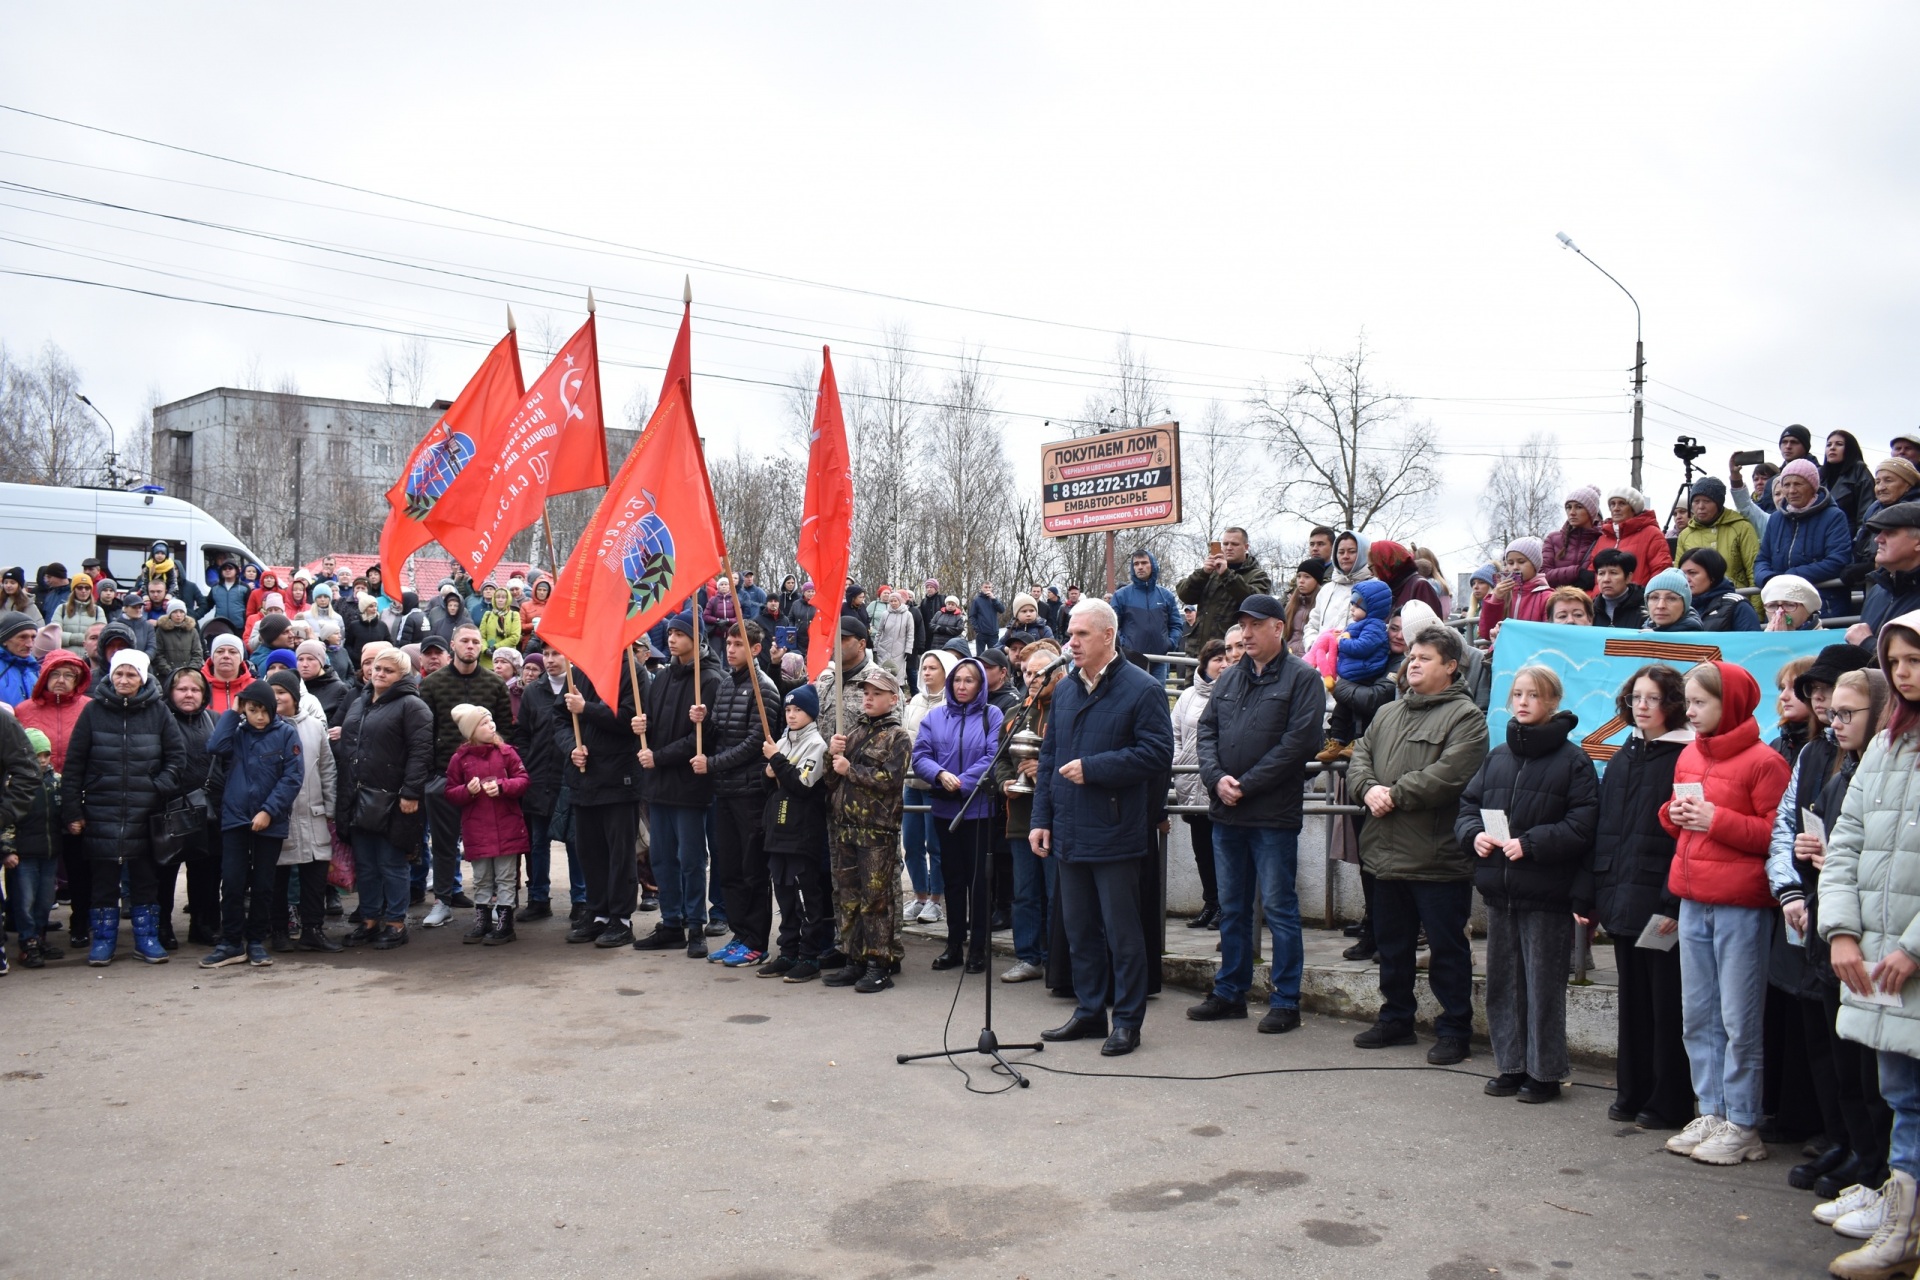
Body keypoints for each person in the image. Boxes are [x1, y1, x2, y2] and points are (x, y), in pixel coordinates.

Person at [1657, 661, 1792, 1167]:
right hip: (1693, 898)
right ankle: (1711, 1110)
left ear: (1729, 703)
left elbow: (1777, 838)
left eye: (1700, 702)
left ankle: (1743, 1122)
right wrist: (1673, 817)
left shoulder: (1764, 762)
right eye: (1688, 702)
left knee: (1739, 1019)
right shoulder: (1689, 755)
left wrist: (1718, 820)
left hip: (1741, 906)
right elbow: (1685, 830)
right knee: (1699, 1015)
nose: (1689, 711)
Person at [1818, 610, 1920, 1277]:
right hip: (1877, 963)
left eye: (1915, 660)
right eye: (1897, 662)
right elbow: (1848, 840)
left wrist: (1916, 946)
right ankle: (1902, 1231)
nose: (1904, 674)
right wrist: (1843, 931)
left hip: (1907, 958)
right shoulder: (1888, 743)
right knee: (1902, 1095)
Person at [1031, 599, 1175, 1058]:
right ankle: (1090, 1011)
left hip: (1115, 832)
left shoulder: (1143, 688)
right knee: (1079, 930)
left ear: (1108, 635)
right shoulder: (1068, 689)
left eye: (1081, 635)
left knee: (1122, 934)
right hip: (1069, 831)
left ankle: (1127, 1021)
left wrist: (1095, 768)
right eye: (1070, 635)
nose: (1071, 643)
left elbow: (1157, 755)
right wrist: (1041, 820)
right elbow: (1050, 759)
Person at [1771, 667, 1894, 1200]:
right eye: (1832, 711)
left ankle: (1876, 1169)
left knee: (1872, 1073)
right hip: (1829, 927)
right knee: (1841, 1059)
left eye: (1847, 712)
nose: (1834, 720)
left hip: (1872, 940)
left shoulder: (1886, 771)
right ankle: (1850, 1148)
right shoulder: (1840, 767)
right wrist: (1801, 879)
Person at [1345, 624, 1490, 1064]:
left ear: (1451, 666)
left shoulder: (1466, 717)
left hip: (1437, 858)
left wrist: (1394, 794)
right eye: (1412, 655)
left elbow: (1451, 774)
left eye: (1425, 657)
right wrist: (1366, 789)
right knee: (1392, 944)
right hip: (1384, 853)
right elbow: (1360, 758)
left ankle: (1454, 1028)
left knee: (1447, 949)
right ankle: (1396, 1019)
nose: (1414, 663)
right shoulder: (1388, 713)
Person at [1457, 665, 1599, 1103]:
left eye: (1533, 695)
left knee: (1543, 987)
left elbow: (1583, 823)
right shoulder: (1498, 755)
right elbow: (1468, 805)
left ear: (1552, 701)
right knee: (1503, 984)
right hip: (1501, 893)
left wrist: (1532, 844)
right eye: (1517, 693)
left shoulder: (1574, 761)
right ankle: (1511, 1065)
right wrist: (1472, 835)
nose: (1522, 701)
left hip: (1546, 893)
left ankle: (1545, 1072)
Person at [1189, 593, 1325, 1035]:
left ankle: (1286, 1000)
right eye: (1241, 626)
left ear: (1277, 628)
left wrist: (1246, 783)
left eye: (1253, 625)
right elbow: (1206, 731)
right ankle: (1230, 992)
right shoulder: (1229, 680)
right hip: (1226, 813)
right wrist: (1216, 778)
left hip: (1271, 815)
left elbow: (1300, 744)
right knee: (1232, 909)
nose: (1244, 634)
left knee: (1280, 910)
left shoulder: (1303, 679)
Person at [1580, 664, 1696, 1128]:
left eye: (1652, 698)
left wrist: (1672, 902)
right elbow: (1606, 830)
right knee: (1634, 1001)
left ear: (1673, 705)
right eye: (1635, 699)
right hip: (1622, 895)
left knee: (1667, 1004)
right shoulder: (1625, 754)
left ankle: (1668, 1101)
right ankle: (1633, 1091)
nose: (1642, 706)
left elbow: (1684, 838)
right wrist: (1592, 894)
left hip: (1661, 900)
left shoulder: (1685, 756)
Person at [60, 649, 186, 966]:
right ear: (111, 675)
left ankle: (146, 938)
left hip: (146, 812)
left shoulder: (158, 711)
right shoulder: (93, 712)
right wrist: (73, 810)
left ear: (142, 677)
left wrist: (157, 787)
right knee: (103, 881)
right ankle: (103, 941)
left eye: (131, 674)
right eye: (119, 673)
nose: (124, 680)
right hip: (102, 810)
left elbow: (176, 758)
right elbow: (74, 764)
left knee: (145, 879)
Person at [196, 677, 305, 969]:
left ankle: (256, 940)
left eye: (263, 711)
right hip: (235, 818)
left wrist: (269, 811)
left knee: (262, 884)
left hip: (270, 820)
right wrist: (233, 712)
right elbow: (215, 746)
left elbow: (292, 777)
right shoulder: (238, 732)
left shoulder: (286, 734)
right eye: (252, 710)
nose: (258, 717)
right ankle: (231, 942)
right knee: (231, 882)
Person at [822, 666, 913, 993]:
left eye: (876, 694)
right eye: (866, 693)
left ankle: (879, 963)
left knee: (876, 900)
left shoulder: (898, 737)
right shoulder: (854, 732)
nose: (869, 699)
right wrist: (831, 755)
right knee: (848, 897)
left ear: (892, 698)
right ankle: (854, 959)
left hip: (876, 830)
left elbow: (890, 782)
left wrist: (851, 769)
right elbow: (831, 780)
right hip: (846, 826)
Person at [911, 655, 1004, 973]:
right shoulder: (935, 717)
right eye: (958, 680)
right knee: (952, 879)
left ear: (980, 684)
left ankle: (978, 948)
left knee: (978, 881)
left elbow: (994, 755)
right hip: (945, 809)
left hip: (978, 810)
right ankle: (953, 944)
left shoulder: (992, 714)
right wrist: (939, 775)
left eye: (970, 680)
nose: (962, 686)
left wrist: (963, 783)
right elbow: (920, 754)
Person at [418, 624, 511, 925]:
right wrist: (432, 775)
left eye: (475, 641)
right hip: (445, 775)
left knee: (492, 843)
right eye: (464, 641)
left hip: (489, 780)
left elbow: (505, 734)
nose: (470, 646)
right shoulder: (432, 685)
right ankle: (443, 900)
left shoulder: (496, 684)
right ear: (452, 645)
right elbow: (425, 733)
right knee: (444, 844)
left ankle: (497, 903)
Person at [338, 647, 431, 948]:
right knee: (366, 864)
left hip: (394, 799)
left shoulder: (412, 706)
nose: (378, 674)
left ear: (402, 675)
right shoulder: (359, 701)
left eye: (387, 671)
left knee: (391, 863)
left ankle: (395, 923)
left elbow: (421, 753)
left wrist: (411, 792)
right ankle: (370, 920)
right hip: (359, 796)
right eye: (377, 668)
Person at [707, 620, 780, 969]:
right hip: (725, 790)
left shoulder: (763, 687)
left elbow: (757, 743)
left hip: (750, 792)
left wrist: (713, 764)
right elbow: (721, 731)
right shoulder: (724, 684)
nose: (731, 649)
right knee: (730, 868)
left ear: (755, 649)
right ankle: (739, 934)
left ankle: (756, 941)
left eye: (738, 644)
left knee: (753, 871)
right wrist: (703, 722)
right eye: (729, 643)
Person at [558, 660, 644, 949]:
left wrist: (587, 709)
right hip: (584, 778)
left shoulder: (631, 670)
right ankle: (598, 913)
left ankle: (621, 919)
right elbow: (559, 718)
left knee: (620, 853)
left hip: (620, 778)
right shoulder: (578, 670)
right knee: (589, 851)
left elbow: (633, 720)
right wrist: (572, 746)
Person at [994, 640, 1065, 983]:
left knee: (1056, 893)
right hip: (1021, 815)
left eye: (1039, 673)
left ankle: (1056, 958)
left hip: (1058, 817)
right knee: (1024, 893)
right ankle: (1028, 957)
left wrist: (1045, 769)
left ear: (1058, 672)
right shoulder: (1015, 713)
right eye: (1026, 673)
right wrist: (1007, 782)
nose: (1032, 678)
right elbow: (1001, 761)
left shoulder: (1068, 707)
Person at [755, 685, 835, 982]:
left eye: (797, 710)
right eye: (788, 710)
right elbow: (770, 787)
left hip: (803, 832)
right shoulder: (781, 741)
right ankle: (787, 950)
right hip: (778, 829)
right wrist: (768, 771)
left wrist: (776, 761)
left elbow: (801, 786)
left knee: (808, 895)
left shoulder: (817, 745)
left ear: (810, 713)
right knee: (784, 894)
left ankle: (809, 955)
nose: (791, 715)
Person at [263, 671, 339, 954]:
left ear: (295, 695)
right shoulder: (261, 725)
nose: (277, 698)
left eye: (282, 692)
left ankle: (313, 930)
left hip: (313, 811)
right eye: (272, 692)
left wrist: (330, 808)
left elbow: (327, 768)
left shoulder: (315, 727)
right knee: (277, 878)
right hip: (278, 814)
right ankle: (279, 931)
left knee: (315, 877)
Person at [445, 702, 529, 946]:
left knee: (505, 877)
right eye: (483, 723)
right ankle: (482, 920)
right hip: (477, 830)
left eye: (490, 720)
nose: (490, 725)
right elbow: (450, 791)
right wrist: (467, 791)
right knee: (481, 877)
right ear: (471, 730)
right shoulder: (460, 759)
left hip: (507, 828)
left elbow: (523, 780)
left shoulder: (506, 752)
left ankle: (505, 923)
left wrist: (503, 786)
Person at [1171, 639, 1228, 932]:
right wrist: (1180, 758)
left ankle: (1226, 907)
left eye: (1226, 658)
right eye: (1217, 659)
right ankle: (1211, 903)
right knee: (1202, 851)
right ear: (1205, 663)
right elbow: (1175, 733)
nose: (1223, 664)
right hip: (1190, 786)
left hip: (1218, 787)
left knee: (1222, 850)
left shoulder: (1232, 692)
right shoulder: (1188, 696)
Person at [1755, 457, 1854, 618]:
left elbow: (1838, 560)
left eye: (1798, 484)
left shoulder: (1833, 516)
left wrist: (1791, 576)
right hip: (1781, 608)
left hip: (1824, 608)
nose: (1791, 490)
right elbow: (1762, 560)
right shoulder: (1776, 519)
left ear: (1813, 487)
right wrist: (1769, 579)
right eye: (1786, 485)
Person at [900, 649, 955, 925]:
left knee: (936, 844)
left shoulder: (952, 703)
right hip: (911, 781)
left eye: (933, 668)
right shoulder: (915, 701)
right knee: (911, 842)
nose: (927, 672)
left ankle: (936, 900)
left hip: (936, 783)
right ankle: (920, 896)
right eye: (924, 667)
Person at [6, 725, 63, 968]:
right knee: (24, 901)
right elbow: (7, 819)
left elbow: (65, 811)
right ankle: (27, 941)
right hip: (24, 855)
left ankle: (39, 937)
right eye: (36, 755)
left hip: (50, 852)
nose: (41, 760)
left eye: (45, 755)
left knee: (45, 899)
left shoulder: (57, 781)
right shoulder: (13, 784)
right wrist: (7, 849)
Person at [1320, 578, 1394, 757]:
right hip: (1354, 673)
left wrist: (1342, 642)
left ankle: (1358, 742)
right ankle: (1337, 741)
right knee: (1341, 710)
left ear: (1371, 608)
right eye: (1351, 604)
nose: (1352, 609)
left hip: (1365, 673)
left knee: (1360, 712)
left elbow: (1363, 646)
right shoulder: (1360, 624)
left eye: (1357, 605)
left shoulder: (1374, 626)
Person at [1178, 527, 1273, 657]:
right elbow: (1185, 595)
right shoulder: (1210, 572)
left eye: (1234, 544)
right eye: (1225, 544)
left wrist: (1227, 575)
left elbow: (1255, 601)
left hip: (1232, 653)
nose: (1229, 548)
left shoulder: (1257, 575)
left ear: (1246, 547)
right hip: (1199, 651)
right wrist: (1202, 573)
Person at [1853, 504, 1920, 656]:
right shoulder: (1878, 590)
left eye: (1890, 533)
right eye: (1879, 533)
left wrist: (1867, 643)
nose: (1878, 539)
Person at [1676, 477, 1761, 590]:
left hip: (1737, 599)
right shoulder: (1685, 535)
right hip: (1697, 604)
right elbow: (1678, 576)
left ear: (1719, 503)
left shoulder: (1741, 527)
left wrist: (1754, 607)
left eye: (1707, 501)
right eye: (1696, 501)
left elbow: (1753, 571)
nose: (1701, 506)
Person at [1847, 458, 1920, 589]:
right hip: (1877, 581)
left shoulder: (1914, 512)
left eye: (1888, 480)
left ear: (1908, 484)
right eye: (1877, 482)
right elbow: (1860, 541)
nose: (1881, 487)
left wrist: (1873, 566)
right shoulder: (1873, 508)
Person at [1112, 551, 1182, 679]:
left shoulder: (1166, 596)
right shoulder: (1121, 596)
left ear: (1153, 565)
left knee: (1156, 696)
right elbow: (1112, 625)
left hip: (1159, 660)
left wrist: (1169, 643)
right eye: (1136, 564)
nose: (1140, 567)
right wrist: (1124, 644)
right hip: (1131, 660)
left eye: (1144, 563)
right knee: (1133, 697)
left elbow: (1176, 624)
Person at [1476, 537, 1552, 644]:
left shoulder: (1546, 596)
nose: (1515, 567)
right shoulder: (1504, 594)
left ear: (1535, 565)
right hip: (1505, 653)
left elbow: (1549, 635)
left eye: (1521, 562)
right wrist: (1495, 599)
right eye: (1510, 563)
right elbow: (1486, 633)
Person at [1593, 488, 1674, 585]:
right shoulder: (1603, 538)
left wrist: (1648, 597)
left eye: (1622, 503)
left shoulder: (1652, 534)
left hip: (1639, 598)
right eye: (1612, 504)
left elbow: (1660, 571)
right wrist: (1593, 597)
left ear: (1633, 509)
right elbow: (1593, 574)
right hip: (1602, 599)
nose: (1616, 508)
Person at [1679, 549, 1762, 632]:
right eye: (1682, 574)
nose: (1686, 579)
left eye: (1693, 573)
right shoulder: (1677, 606)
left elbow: (1752, 642)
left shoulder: (1738, 605)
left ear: (1712, 575)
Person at [1542, 486, 1603, 589]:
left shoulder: (1601, 539)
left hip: (1588, 602)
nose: (1572, 512)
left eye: (1579, 507)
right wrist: (1577, 572)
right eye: (1569, 507)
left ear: (1591, 512)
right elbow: (1542, 575)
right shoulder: (1553, 539)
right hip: (1556, 601)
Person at [1367, 540, 1445, 616]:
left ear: (1384, 563)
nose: (1371, 573)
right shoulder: (1392, 589)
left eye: (1371, 567)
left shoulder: (1420, 586)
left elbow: (1430, 627)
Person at [1821, 430, 1878, 533]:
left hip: (1848, 539)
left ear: (1850, 449)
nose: (1832, 448)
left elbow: (1866, 515)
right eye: (1828, 445)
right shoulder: (1819, 476)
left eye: (1839, 444)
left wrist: (1859, 543)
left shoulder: (1860, 473)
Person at [1591, 549, 1646, 629]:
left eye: (1613, 573)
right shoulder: (1591, 609)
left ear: (1628, 577)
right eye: (1601, 573)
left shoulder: (1645, 607)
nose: (1606, 579)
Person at [1281, 558, 1326, 657]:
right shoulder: (1291, 604)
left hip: (1310, 659)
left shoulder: (1323, 604)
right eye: (1298, 576)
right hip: (1288, 658)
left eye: (1307, 577)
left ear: (1317, 580)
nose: (1301, 581)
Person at [873, 588, 917, 683]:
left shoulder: (908, 615)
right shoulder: (885, 614)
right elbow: (879, 631)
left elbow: (910, 634)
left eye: (895, 601)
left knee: (897, 676)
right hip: (884, 648)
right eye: (891, 601)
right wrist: (875, 647)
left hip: (900, 650)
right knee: (883, 675)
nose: (893, 603)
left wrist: (908, 649)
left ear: (900, 601)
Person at [1641, 568, 1704, 633]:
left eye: (1671, 598)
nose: (1660, 605)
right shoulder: (1646, 628)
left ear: (1685, 605)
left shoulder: (1692, 637)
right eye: (1654, 597)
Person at [0, 613, 41, 707]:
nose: (29, 644)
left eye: (33, 637)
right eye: (23, 637)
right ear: (5, 640)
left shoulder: (34, 668)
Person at [56, 573, 105, 650]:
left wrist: (69, 638)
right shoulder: (62, 608)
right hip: (66, 657)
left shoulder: (98, 611)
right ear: (74, 590)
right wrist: (82, 638)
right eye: (80, 587)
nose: (83, 591)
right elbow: (55, 635)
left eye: (87, 588)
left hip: (89, 658)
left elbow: (102, 636)